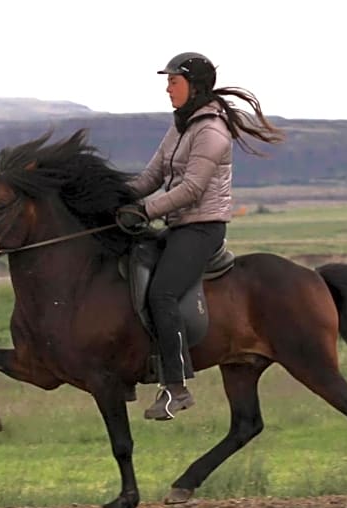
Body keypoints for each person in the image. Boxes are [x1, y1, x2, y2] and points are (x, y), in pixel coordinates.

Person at [117, 51, 284, 420]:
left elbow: (192, 189)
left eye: (173, 82)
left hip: (202, 228)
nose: (167, 88)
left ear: (194, 87)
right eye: (167, 82)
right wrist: (116, 197)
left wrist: (144, 210)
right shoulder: (180, 126)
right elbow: (151, 177)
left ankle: (175, 388)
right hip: (177, 224)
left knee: (162, 293)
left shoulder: (210, 132)